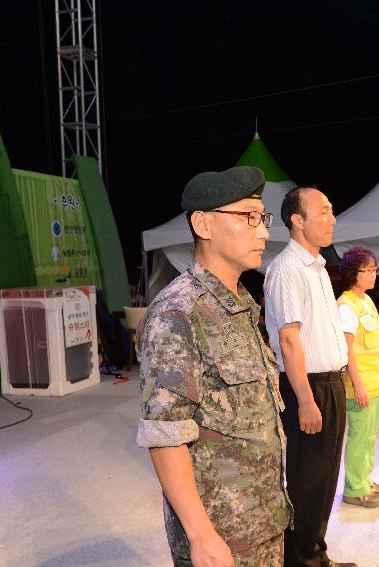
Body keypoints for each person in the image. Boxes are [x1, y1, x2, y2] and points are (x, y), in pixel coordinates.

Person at [136, 166, 291, 567]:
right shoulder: (179, 312)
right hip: (221, 534)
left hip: (263, 517)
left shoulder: (237, 303)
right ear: (203, 224)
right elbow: (166, 433)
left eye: (263, 219)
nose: (263, 232)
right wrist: (201, 535)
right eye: (248, 217)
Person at [263, 186, 356, 567]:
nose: (332, 219)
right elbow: (288, 339)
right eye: (323, 211)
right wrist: (305, 399)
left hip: (329, 382)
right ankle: (300, 561)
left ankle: (316, 554)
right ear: (297, 221)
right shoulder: (288, 268)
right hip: (309, 386)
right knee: (306, 480)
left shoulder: (315, 266)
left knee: (325, 479)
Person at [336, 246, 379, 508]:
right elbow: (346, 350)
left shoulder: (365, 300)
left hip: (376, 383)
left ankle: (365, 479)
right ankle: (355, 488)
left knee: (369, 436)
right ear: (352, 273)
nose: (373, 275)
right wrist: (357, 385)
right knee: (360, 436)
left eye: (374, 269)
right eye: (367, 270)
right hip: (361, 386)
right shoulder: (346, 306)